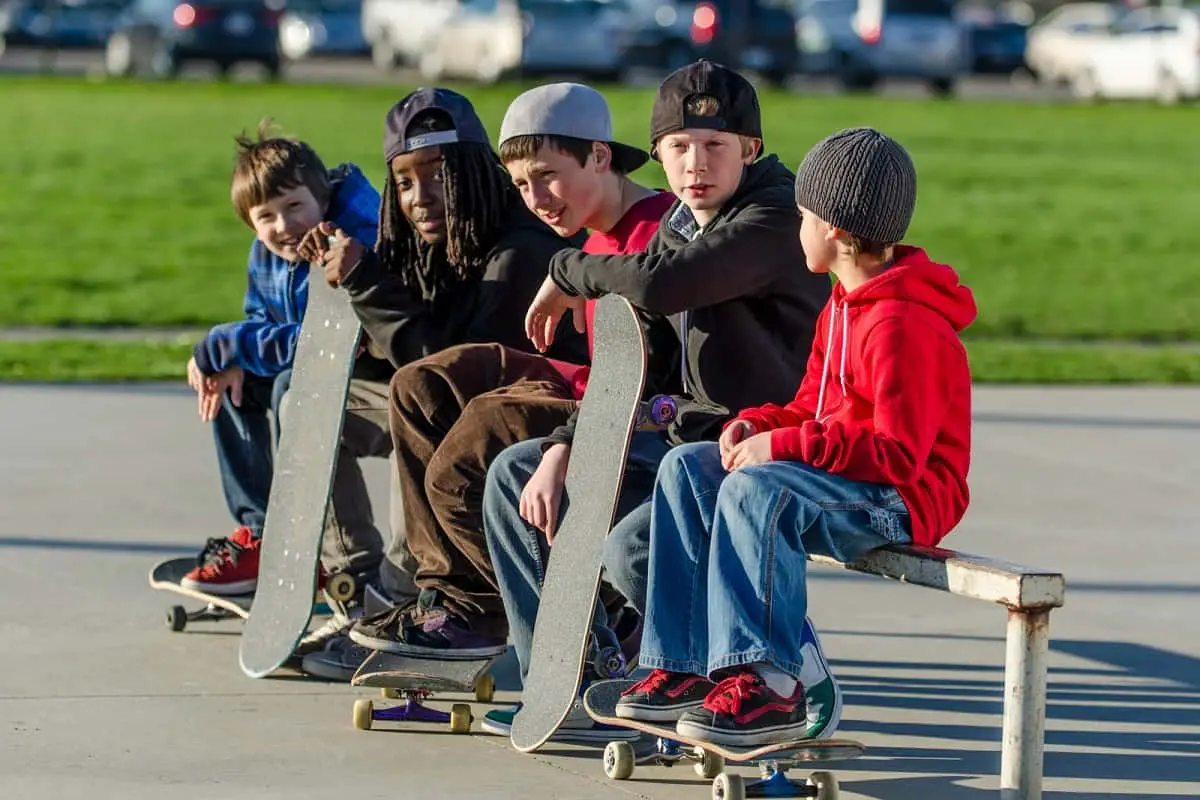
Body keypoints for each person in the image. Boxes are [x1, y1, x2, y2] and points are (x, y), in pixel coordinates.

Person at [480, 61, 835, 739]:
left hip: (762, 446)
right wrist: (564, 447)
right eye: (679, 147)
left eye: (715, 146)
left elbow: (670, 285)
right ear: (661, 154)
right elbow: (636, 367)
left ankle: (781, 669)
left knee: (632, 549)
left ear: (749, 150)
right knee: (514, 477)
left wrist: (566, 272)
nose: (695, 164)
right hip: (683, 440)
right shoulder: (680, 224)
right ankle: (575, 683)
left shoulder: (771, 215)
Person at [612, 127, 977, 748]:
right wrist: (759, 424)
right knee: (689, 467)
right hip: (844, 482)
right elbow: (811, 406)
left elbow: (897, 456)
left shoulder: (900, 323)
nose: (795, 229)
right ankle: (682, 664)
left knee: (761, 491)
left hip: (900, 501)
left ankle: (770, 683)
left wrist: (781, 449)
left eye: (803, 216)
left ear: (833, 228)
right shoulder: (842, 304)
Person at [296, 86, 595, 679]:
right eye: (404, 182)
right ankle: (367, 588)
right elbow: (415, 351)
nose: (420, 198)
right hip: (466, 409)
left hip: (545, 416)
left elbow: (450, 374)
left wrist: (369, 285)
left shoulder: (520, 254)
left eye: (437, 175)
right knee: (308, 403)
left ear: (476, 172)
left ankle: (424, 599)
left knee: (421, 404)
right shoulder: (434, 247)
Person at [181, 119, 393, 601]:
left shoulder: (352, 237)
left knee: (287, 389)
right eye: (266, 217)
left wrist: (228, 342)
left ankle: (331, 552)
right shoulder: (267, 252)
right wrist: (234, 357)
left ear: (322, 197)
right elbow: (260, 317)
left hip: (377, 377)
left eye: (294, 206)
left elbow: (330, 339)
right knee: (237, 387)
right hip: (319, 370)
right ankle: (261, 534)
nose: (283, 226)